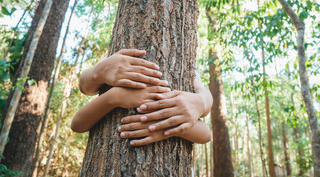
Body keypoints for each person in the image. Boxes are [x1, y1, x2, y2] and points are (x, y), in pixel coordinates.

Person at [71, 49, 213, 146]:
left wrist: (164, 125)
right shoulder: (116, 61)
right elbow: (77, 124)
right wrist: (114, 97)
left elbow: (206, 134)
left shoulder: (187, 71)